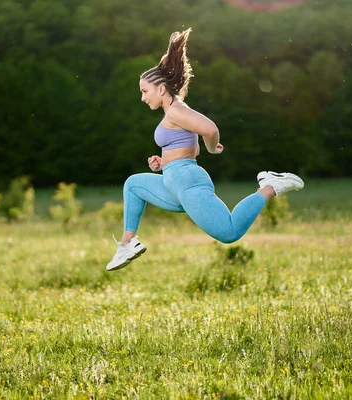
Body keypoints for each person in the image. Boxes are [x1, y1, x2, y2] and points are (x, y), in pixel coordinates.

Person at [106, 28, 304, 271]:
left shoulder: (177, 110)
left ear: (160, 89)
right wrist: (163, 161)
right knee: (134, 185)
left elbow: (209, 130)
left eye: (144, 91)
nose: (143, 98)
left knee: (229, 232)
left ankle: (270, 186)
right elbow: (191, 148)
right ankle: (128, 243)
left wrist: (212, 148)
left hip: (187, 182)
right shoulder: (174, 112)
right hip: (173, 181)